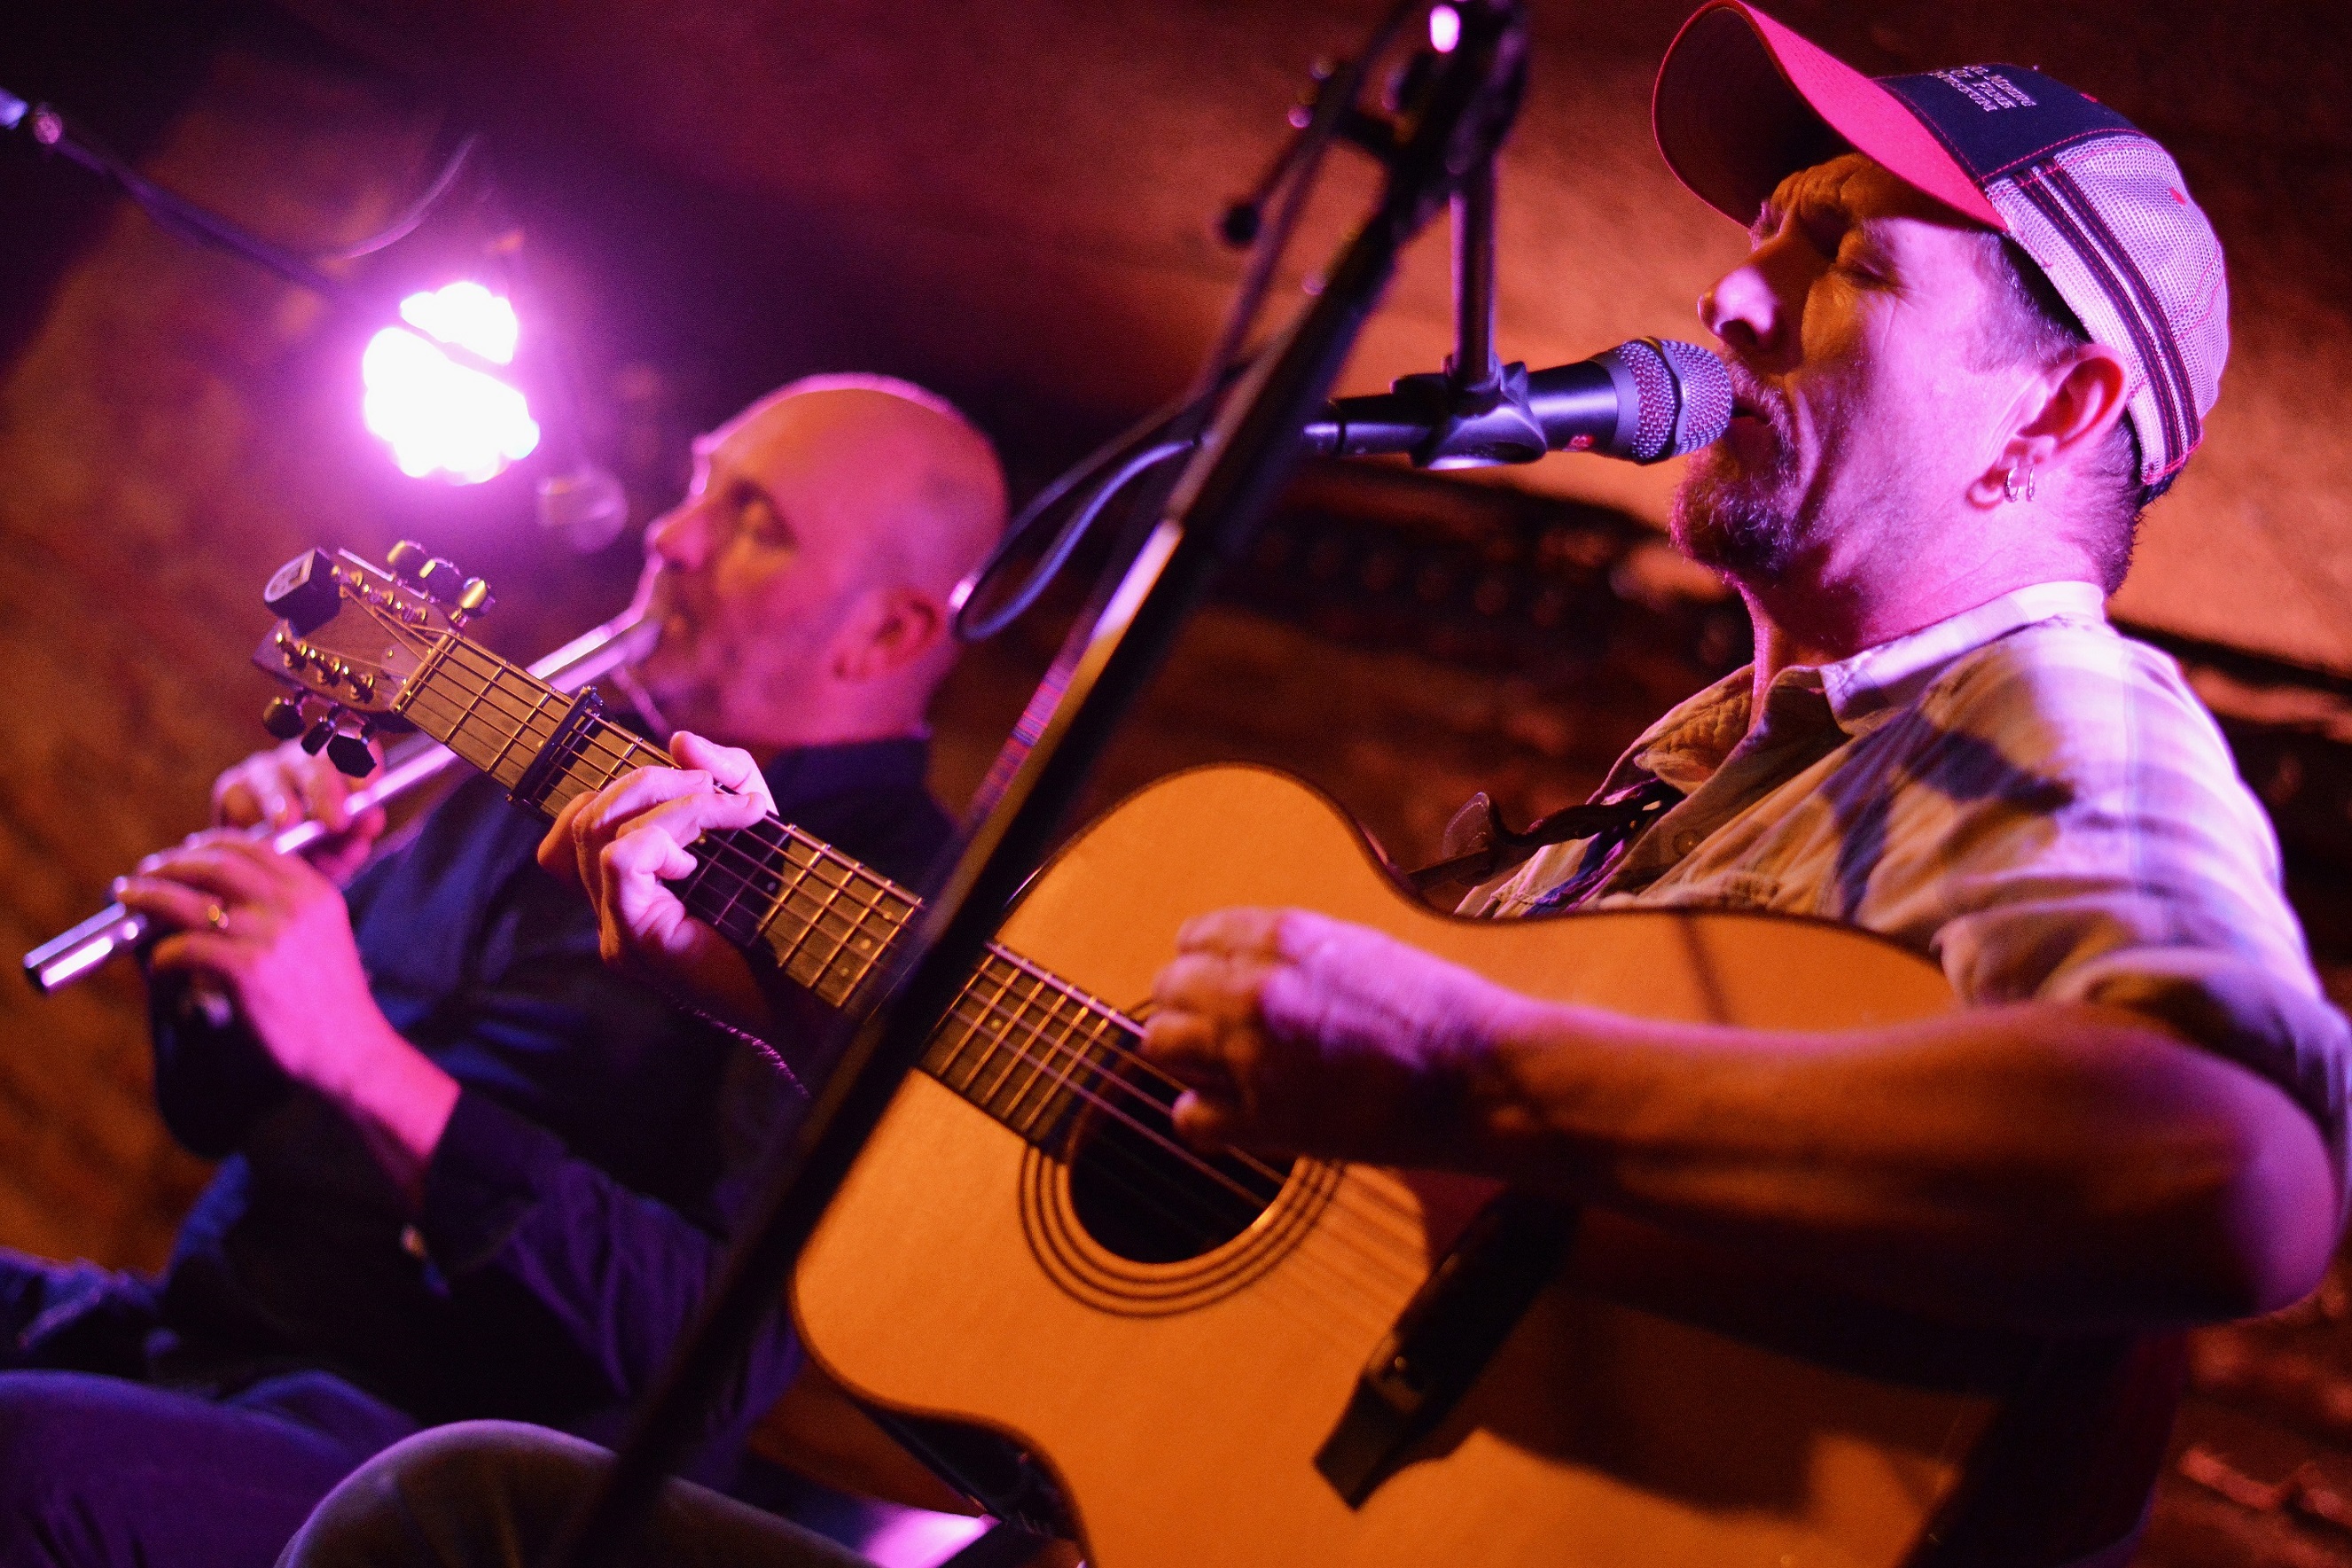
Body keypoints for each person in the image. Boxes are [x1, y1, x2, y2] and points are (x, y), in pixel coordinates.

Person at [278, 7, 2349, 1568]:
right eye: (1754, 239)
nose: (1725, 290)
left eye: (1835, 261)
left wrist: (1467, 1063)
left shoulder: (2058, 720)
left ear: (2057, 405)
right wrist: (760, 964)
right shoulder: (1697, 773)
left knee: (445, 1526)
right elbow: (1269, 1219)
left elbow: (2234, 1172)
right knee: (458, 1514)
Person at [0, 375, 1008, 1568]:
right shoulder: (560, 741)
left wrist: (361, 1056)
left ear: (888, 632)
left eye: (753, 521)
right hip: (191, 1339)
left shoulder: (878, 918)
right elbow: (214, 1114)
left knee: (25, 1464)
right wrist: (232, 959)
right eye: (695, 487)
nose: (669, 536)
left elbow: (702, 1351)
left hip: (431, 1482)